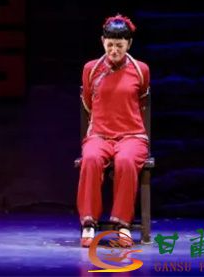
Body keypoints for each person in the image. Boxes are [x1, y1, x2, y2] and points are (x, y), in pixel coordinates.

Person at [77, 14, 150, 248]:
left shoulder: (141, 69)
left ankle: (122, 224)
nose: (114, 50)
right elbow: (88, 103)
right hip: (99, 135)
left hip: (132, 136)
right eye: (110, 45)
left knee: (126, 161)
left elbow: (141, 100)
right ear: (102, 42)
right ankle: (89, 223)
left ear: (129, 44)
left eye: (119, 45)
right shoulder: (91, 69)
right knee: (90, 158)